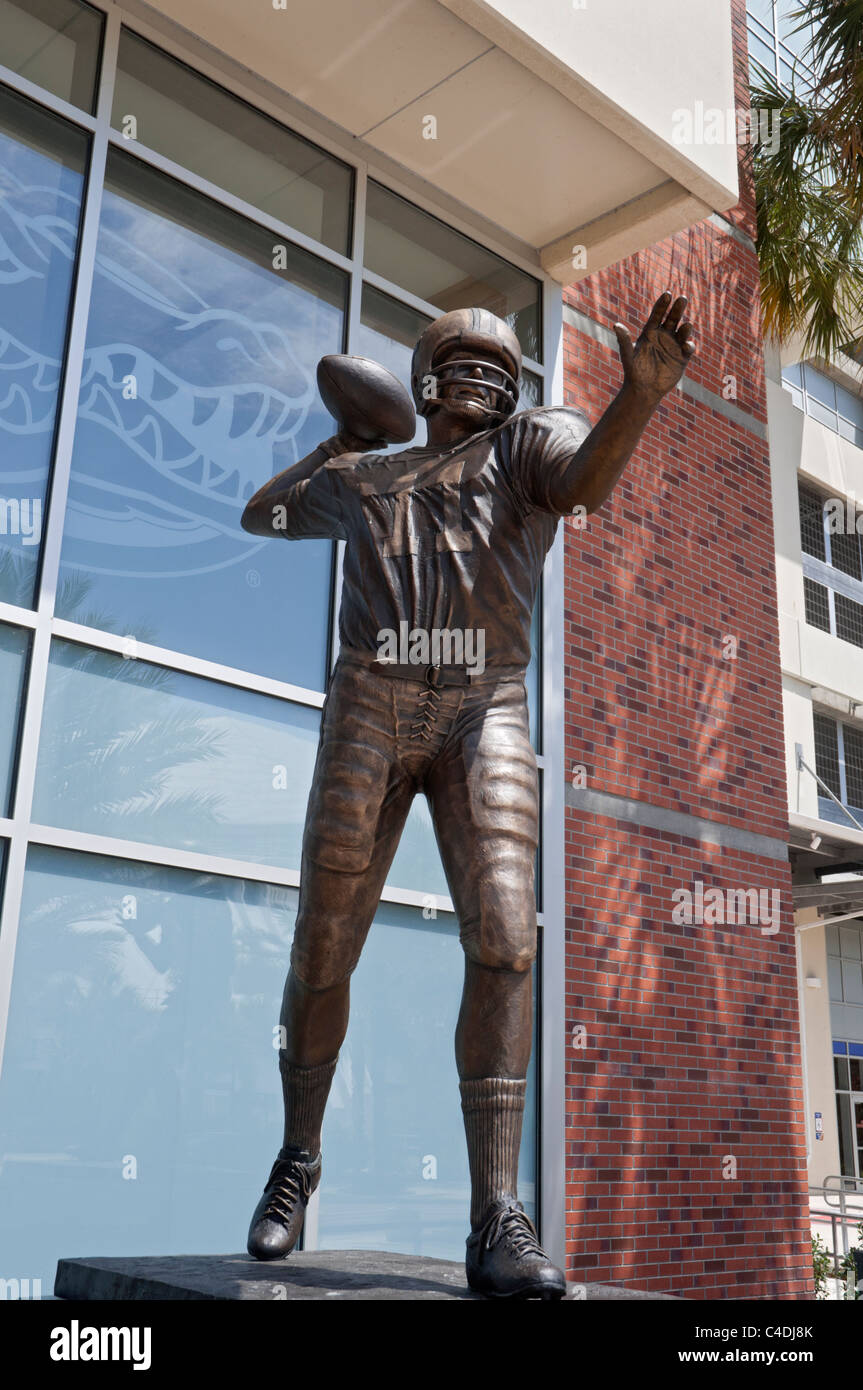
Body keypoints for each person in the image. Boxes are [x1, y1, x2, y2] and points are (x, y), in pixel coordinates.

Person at [240, 293, 695, 1298]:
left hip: (479, 700)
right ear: (426, 380)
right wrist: (340, 442)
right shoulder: (371, 475)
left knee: (504, 935)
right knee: (323, 945)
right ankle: (297, 1157)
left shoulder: (528, 445)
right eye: (464, 357)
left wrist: (638, 396)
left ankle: (496, 1214)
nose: (485, 372)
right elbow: (261, 514)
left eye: (500, 361)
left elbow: (586, 481)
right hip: (372, 693)